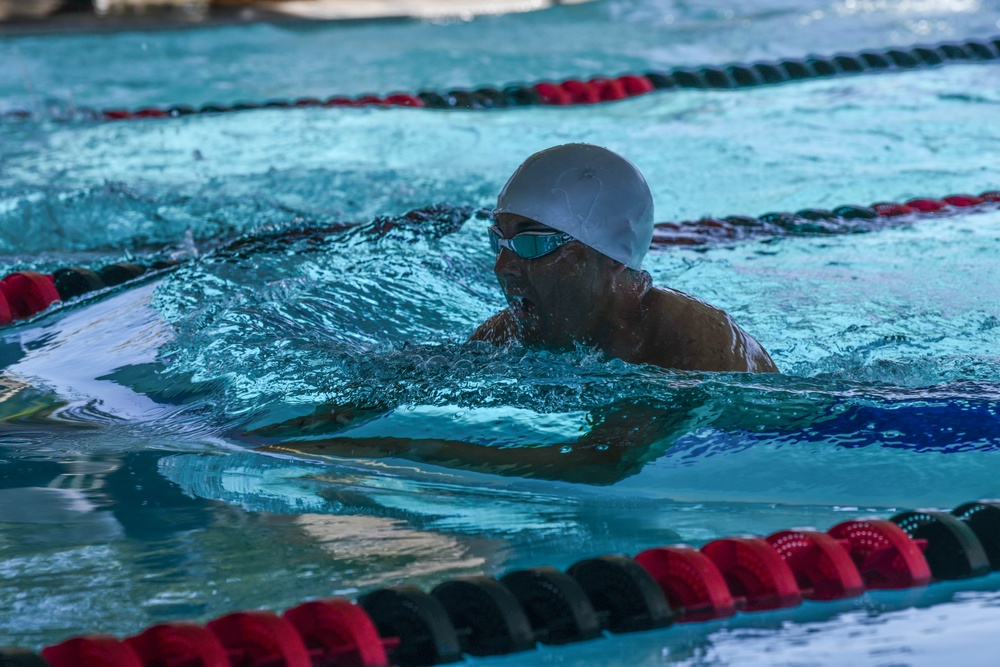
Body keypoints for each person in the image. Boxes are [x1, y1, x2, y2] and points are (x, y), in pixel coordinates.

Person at [470, 143, 778, 374]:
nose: (502, 267)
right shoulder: (507, 335)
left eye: (532, 243)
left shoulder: (692, 344)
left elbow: (604, 459)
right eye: (498, 241)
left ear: (611, 258)